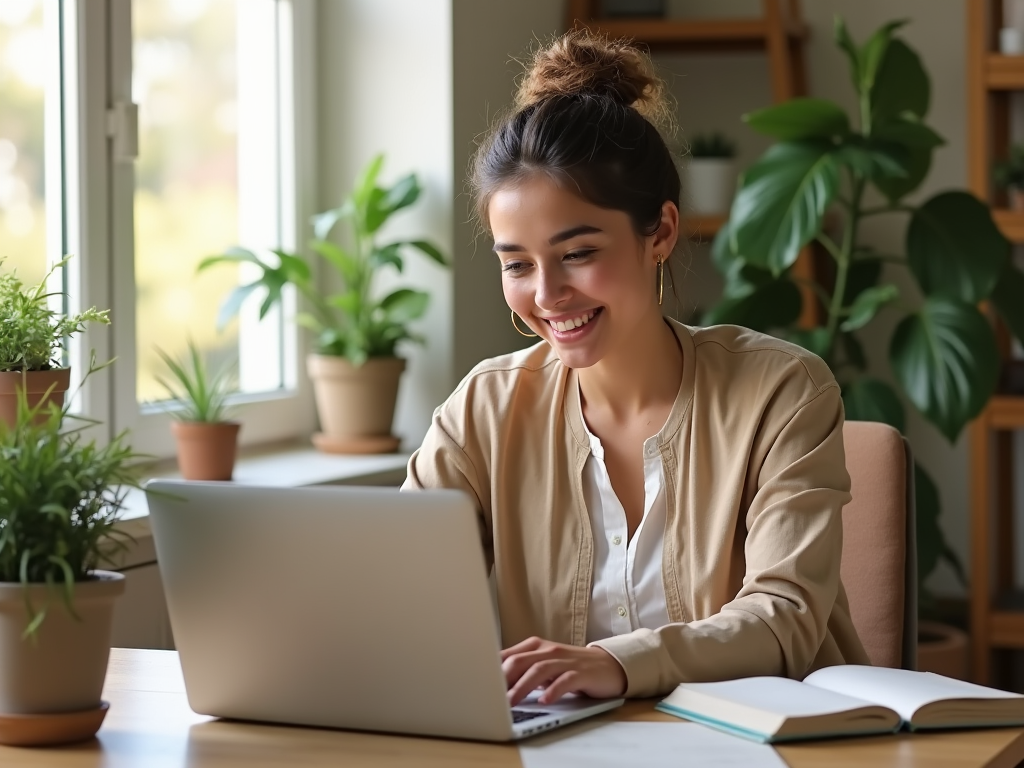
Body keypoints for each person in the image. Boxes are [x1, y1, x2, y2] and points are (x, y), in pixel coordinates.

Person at [403, 30, 868, 708]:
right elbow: (398, 592)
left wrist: (614, 664)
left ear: (662, 233)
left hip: (756, 745)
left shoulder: (781, 392)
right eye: (517, 264)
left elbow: (785, 617)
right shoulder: (483, 409)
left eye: (578, 252)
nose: (547, 293)